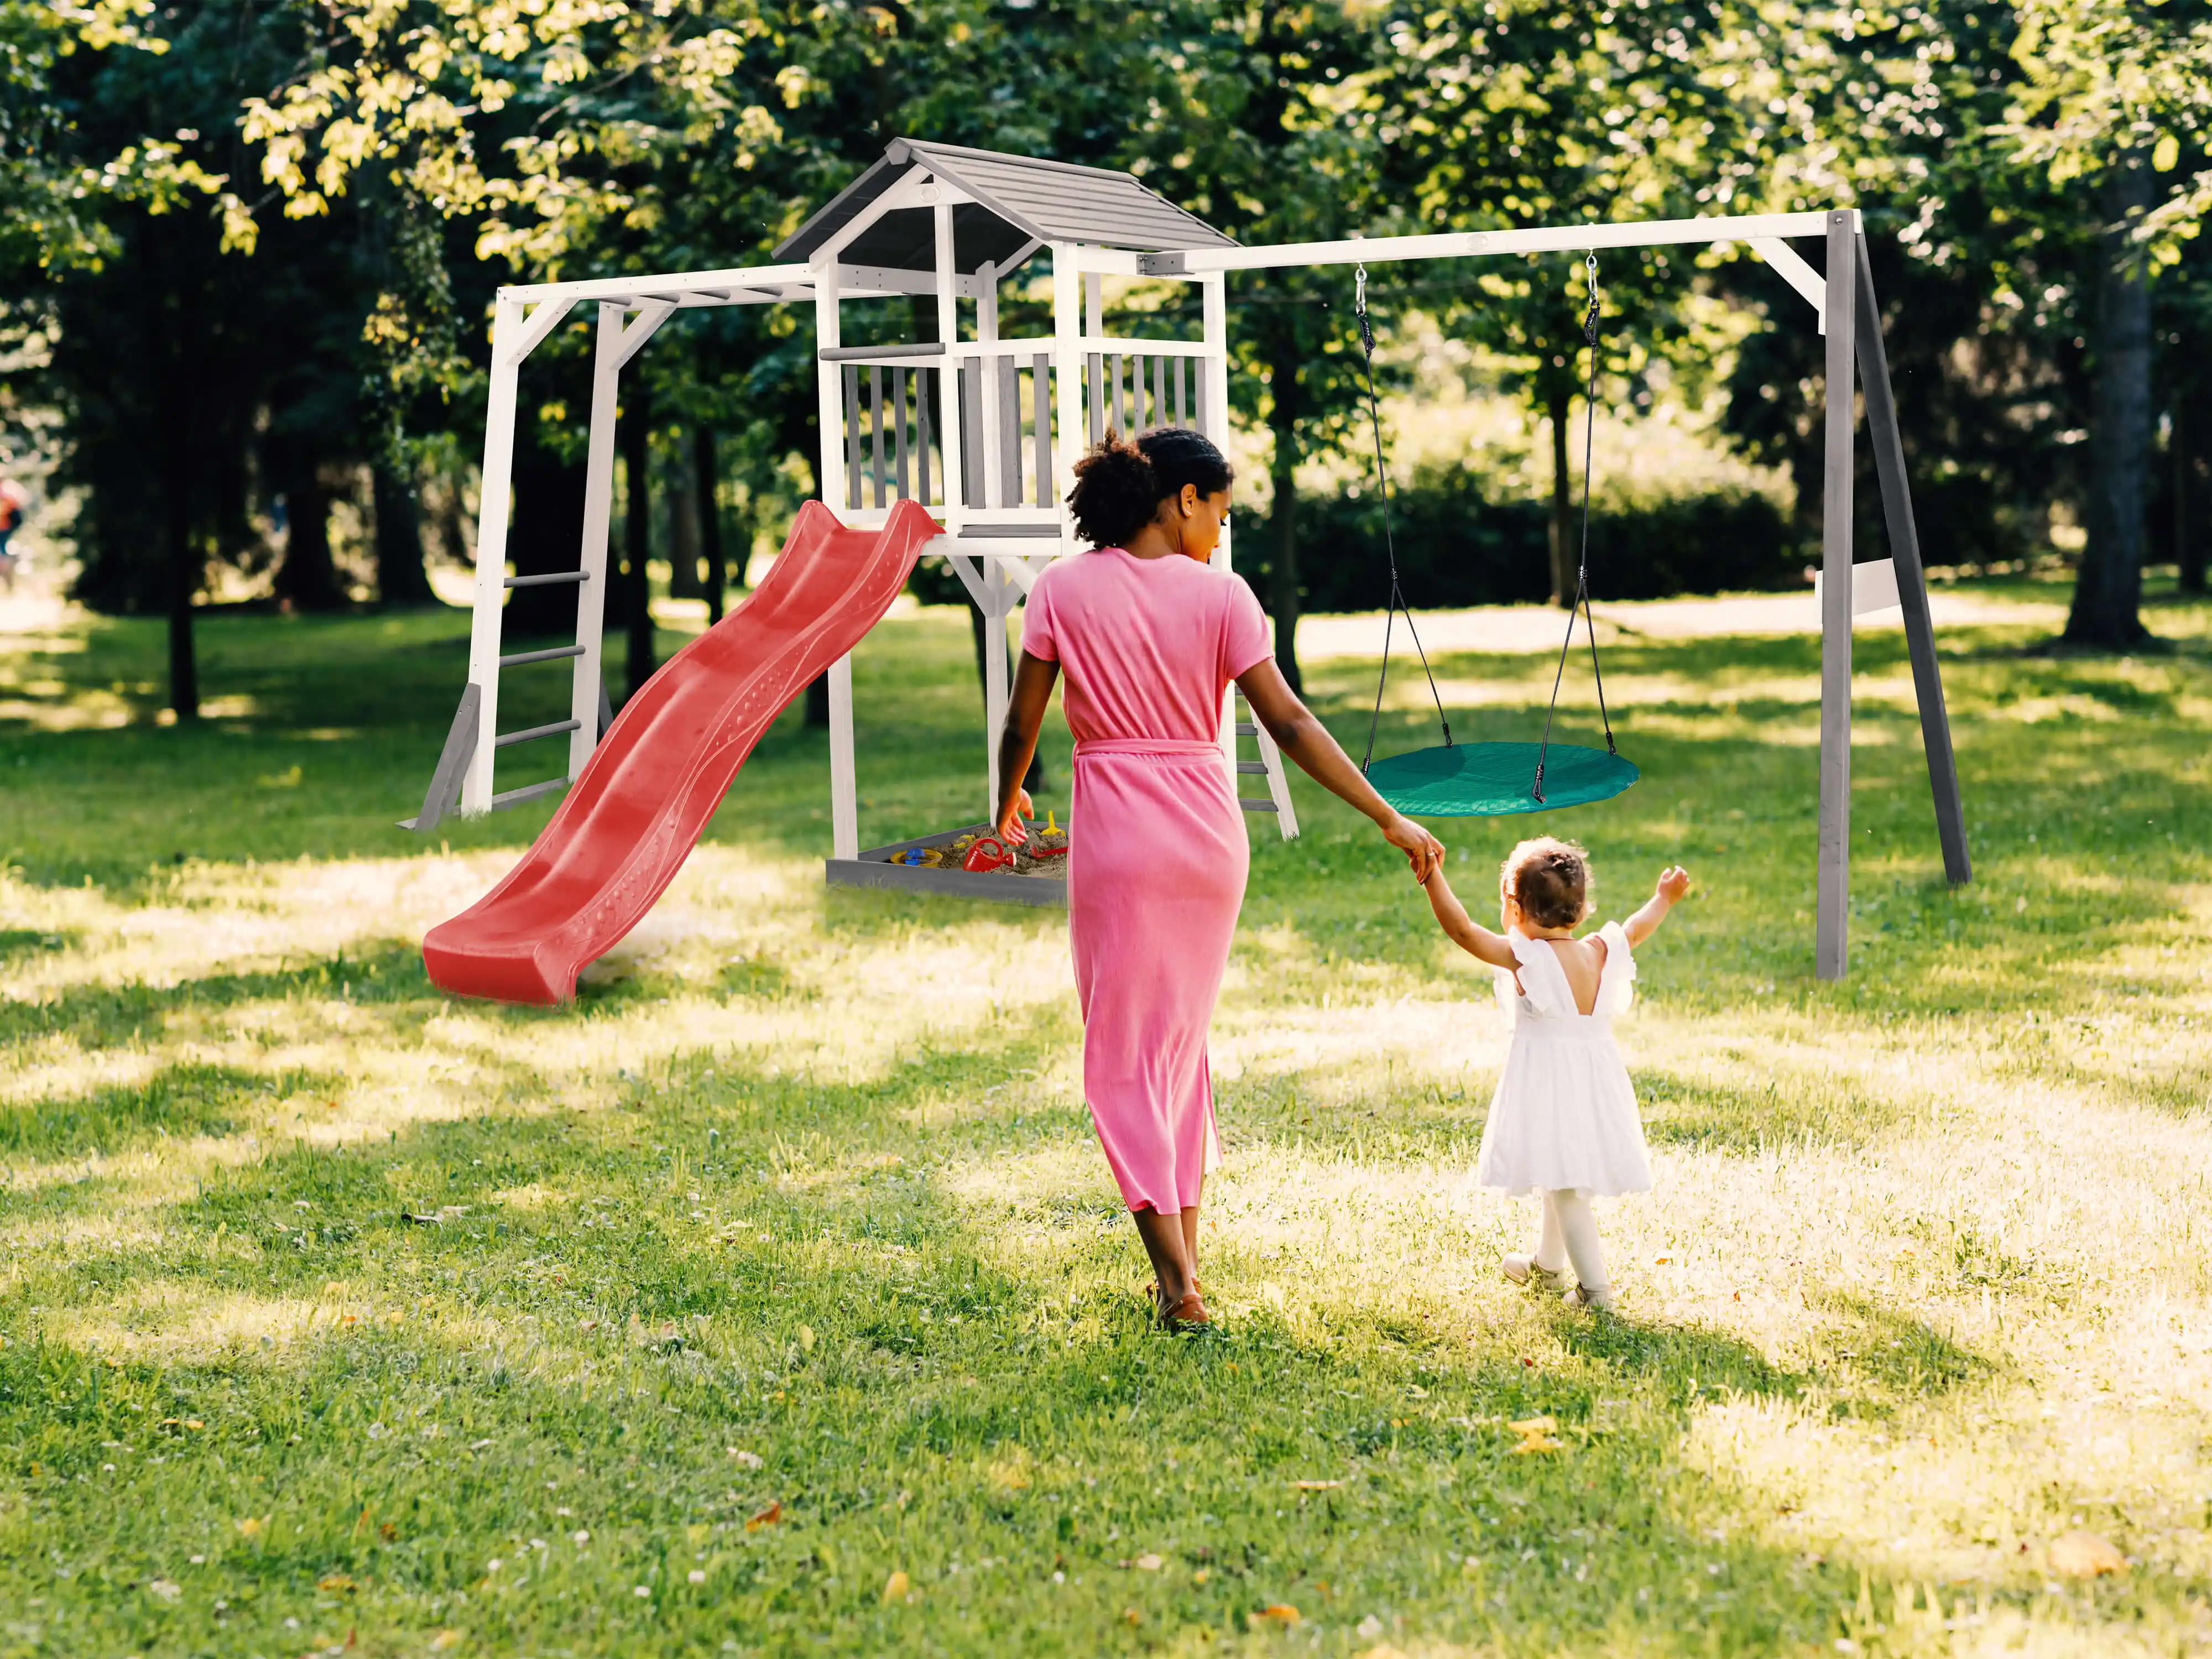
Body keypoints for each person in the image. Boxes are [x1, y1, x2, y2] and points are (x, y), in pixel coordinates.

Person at [994, 427, 1444, 1331]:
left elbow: (1022, 723)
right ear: (1183, 499)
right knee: (1176, 1051)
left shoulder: (1060, 589)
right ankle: (1185, 1269)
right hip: (1207, 839)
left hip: (1120, 838)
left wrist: (1003, 807)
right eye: (1221, 514)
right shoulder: (1225, 598)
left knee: (1125, 1059)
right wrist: (1385, 813)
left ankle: (1175, 1285)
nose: (1221, 534)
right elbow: (1290, 723)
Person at [1418, 838, 1691, 1311]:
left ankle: (1596, 1292)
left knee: (1566, 1188)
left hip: (1550, 1084)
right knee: (1556, 1170)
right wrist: (1663, 899)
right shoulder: (1599, 951)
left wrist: (1431, 876)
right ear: (1581, 911)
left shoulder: (1527, 958)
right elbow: (1636, 928)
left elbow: (1462, 931)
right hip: (1593, 1082)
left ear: (1516, 908)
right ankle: (1547, 1266)